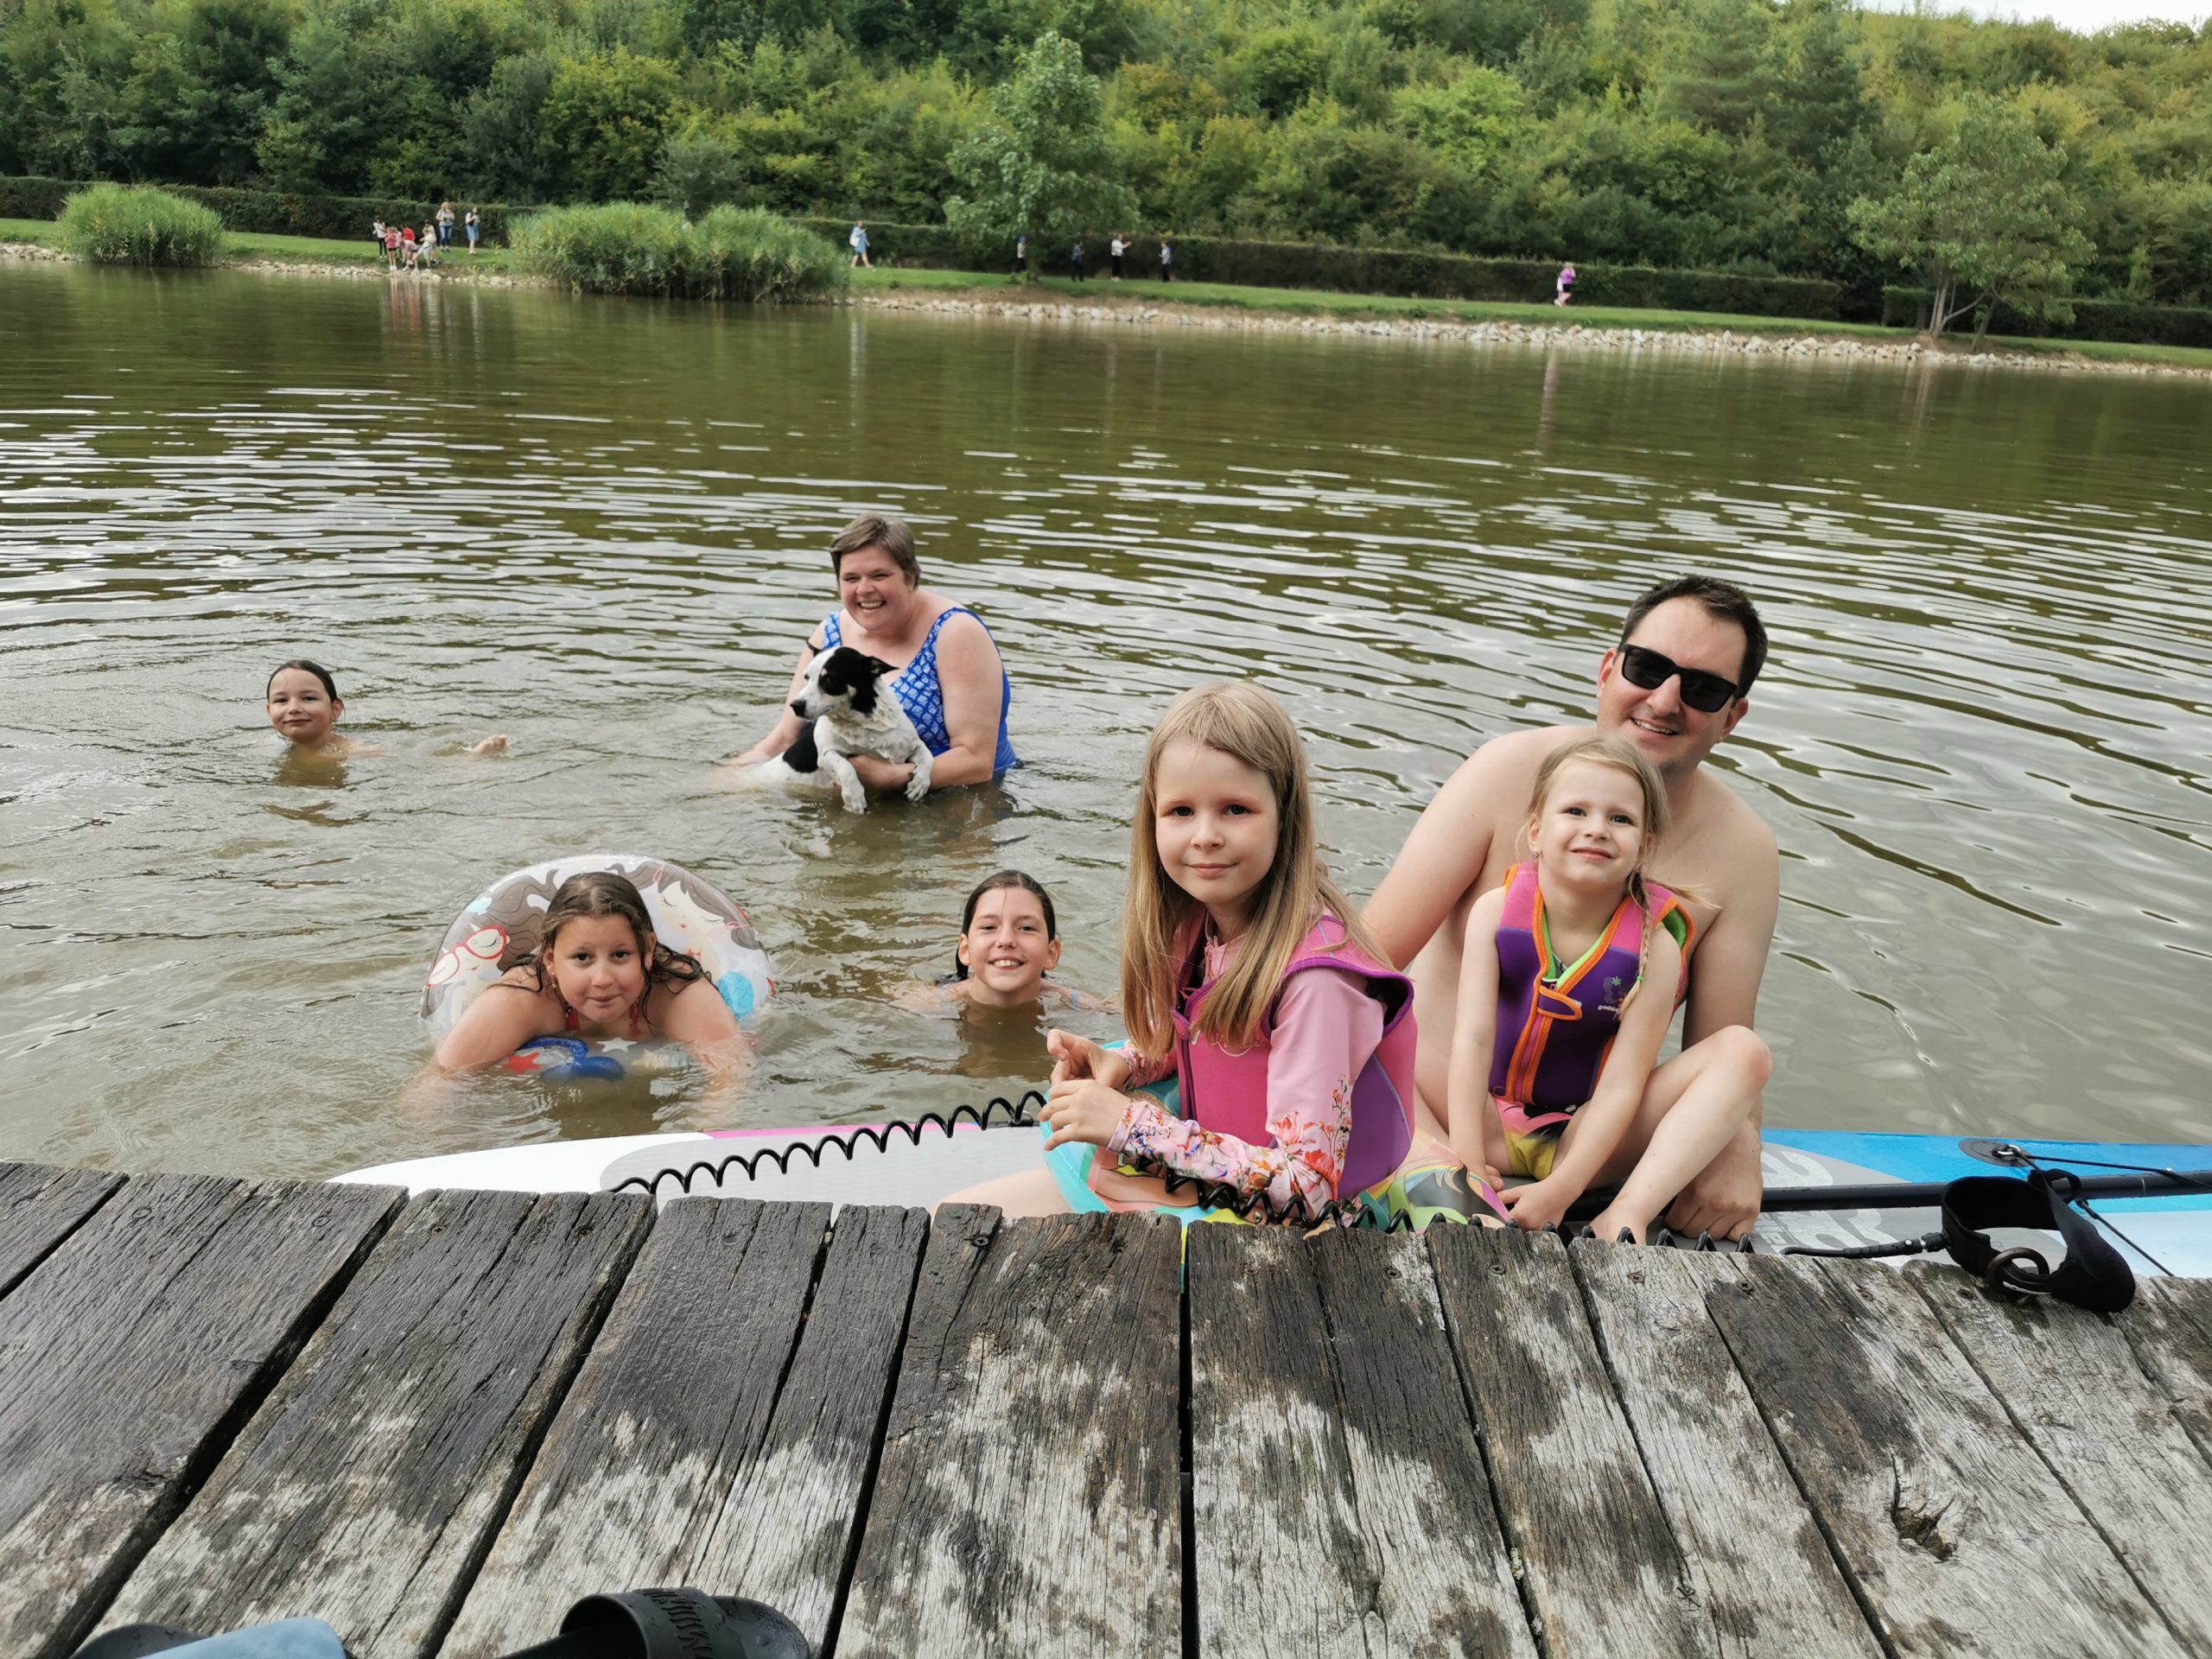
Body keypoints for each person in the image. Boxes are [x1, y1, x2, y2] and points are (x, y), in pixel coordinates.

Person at [944, 683, 1505, 1230]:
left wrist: (1132, 1125)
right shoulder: (1202, 924)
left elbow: (1308, 1189)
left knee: (967, 1225)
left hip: (1307, 1234)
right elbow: (1203, 1043)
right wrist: (1131, 1063)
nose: (1205, 835)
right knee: (956, 1214)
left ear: (1285, 817)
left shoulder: (1317, 985)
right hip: (1220, 1193)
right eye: (1180, 811)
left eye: (1236, 809)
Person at [1364, 574, 1777, 1239]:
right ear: (1608, 670)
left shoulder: (1744, 852)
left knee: (1741, 1059)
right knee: (1343, 999)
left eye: (1702, 689)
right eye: (1647, 668)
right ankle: (1427, 1168)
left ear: (1733, 716)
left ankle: (1607, 1212)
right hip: (1434, 1109)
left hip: (1583, 1143)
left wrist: (1740, 1143)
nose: (1664, 700)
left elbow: (1721, 1054)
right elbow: (1362, 965)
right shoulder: (1503, 770)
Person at [1448, 735, 1762, 1243]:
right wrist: (1466, 1162)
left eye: (1620, 819)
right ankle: (1444, 1160)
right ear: (1536, 831)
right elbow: (1473, 1039)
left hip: (1583, 1140)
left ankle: (1625, 1212)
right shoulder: (1495, 911)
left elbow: (1622, 1085)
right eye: (1576, 811)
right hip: (1486, 1121)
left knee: (1745, 1052)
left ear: (1646, 846)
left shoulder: (1656, 947)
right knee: (1384, 1018)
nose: (1597, 829)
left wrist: (1564, 1188)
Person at [732, 513, 1017, 794]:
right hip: (865, 800)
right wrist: (729, 778)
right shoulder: (830, 635)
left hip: (960, 798)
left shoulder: (956, 633)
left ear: (910, 577)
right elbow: (785, 737)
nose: (864, 589)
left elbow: (977, 761)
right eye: (851, 578)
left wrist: (894, 778)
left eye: (879, 575)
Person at [431, 871, 746, 1083]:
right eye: (582, 958)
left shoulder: (676, 993)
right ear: (551, 960)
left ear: (648, 950)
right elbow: (439, 1085)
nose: (602, 979)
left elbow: (732, 1079)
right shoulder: (523, 999)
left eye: (620, 955)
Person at [907, 870, 1105, 1014]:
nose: (1006, 940)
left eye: (1026, 928)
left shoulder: (1086, 1009)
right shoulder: (923, 1006)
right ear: (965, 949)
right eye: (989, 927)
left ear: (1051, 953)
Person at [264, 658, 507, 759]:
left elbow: (416, 766)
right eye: (281, 701)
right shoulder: (268, 746)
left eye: (308, 698)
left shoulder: (354, 753)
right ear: (269, 711)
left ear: (335, 710)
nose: (293, 708)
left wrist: (473, 759)